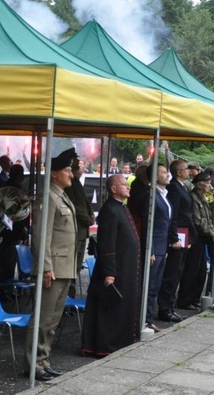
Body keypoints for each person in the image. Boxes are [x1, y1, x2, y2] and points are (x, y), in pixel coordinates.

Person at [24, 147, 77, 382]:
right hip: (52, 268)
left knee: (53, 320)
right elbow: (41, 236)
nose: (71, 175)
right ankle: (33, 363)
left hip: (64, 267)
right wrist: (46, 266)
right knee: (43, 318)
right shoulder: (48, 197)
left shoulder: (61, 196)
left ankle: (43, 360)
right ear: (54, 174)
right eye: (67, 170)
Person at [82, 174, 141, 357]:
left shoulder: (121, 207)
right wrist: (109, 272)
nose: (128, 187)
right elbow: (107, 243)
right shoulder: (110, 209)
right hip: (116, 268)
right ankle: (106, 345)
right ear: (114, 189)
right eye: (124, 185)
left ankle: (122, 341)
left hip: (125, 266)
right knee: (111, 309)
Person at [156, 159, 193, 322]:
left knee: (177, 271)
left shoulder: (182, 187)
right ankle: (165, 308)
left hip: (184, 235)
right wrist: (174, 238)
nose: (189, 171)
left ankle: (170, 306)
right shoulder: (175, 188)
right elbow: (175, 215)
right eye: (186, 169)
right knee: (172, 273)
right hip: (177, 236)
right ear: (179, 172)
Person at [139, 164, 173, 332]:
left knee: (156, 285)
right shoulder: (150, 196)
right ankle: (144, 320)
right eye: (164, 172)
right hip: (154, 248)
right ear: (154, 176)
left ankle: (148, 318)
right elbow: (147, 224)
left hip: (162, 247)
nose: (168, 175)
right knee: (150, 286)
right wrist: (150, 249)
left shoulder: (163, 195)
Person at [177, 172, 214, 310]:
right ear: (200, 184)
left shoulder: (202, 197)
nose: (209, 185)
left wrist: (213, 231)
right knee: (191, 271)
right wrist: (211, 232)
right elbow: (198, 220)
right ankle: (185, 300)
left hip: (202, 238)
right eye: (207, 182)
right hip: (196, 237)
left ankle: (194, 298)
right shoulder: (194, 197)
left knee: (200, 271)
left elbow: (208, 218)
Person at [65, 156, 94, 299]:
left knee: (76, 266)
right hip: (76, 229)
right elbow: (74, 205)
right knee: (72, 266)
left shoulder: (76, 183)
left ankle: (71, 296)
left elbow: (85, 202)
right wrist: (88, 218)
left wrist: (90, 214)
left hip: (82, 230)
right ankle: (68, 298)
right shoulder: (70, 185)